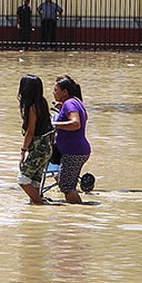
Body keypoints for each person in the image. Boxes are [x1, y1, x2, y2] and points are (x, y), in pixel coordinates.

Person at [52, 75, 90, 204]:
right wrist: (61, 109)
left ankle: (79, 213)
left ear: (65, 92)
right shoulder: (75, 101)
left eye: (56, 90)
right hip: (77, 150)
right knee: (67, 184)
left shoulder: (70, 103)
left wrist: (53, 124)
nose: (53, 93)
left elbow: (76, 123)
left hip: (74, 152)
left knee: (66, 186)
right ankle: (72, 214)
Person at [16, 75, 54, 205]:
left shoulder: (32, 107)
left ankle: (40, 204)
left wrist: (23, 151)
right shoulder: (42, 103)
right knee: (34, 182)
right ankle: (36, 209)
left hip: (38, 148)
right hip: (46, 147)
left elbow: (30, 132)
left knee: (23, 180)